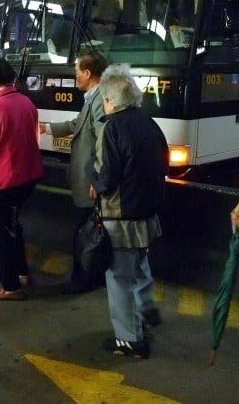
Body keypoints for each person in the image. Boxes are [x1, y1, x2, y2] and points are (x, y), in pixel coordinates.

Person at [85, 64, 168, 359]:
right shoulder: (150, 123)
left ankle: (129, 339)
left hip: (121, 215)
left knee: (119, 277)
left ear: (109, 100)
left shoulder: (112, 127)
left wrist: (91, 177)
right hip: (148, 212)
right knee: (140, 265)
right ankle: (146, 310)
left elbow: (106, 178)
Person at [0, 59, 44, 301]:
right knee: (14, 224)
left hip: (7, 179)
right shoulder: (27, 102)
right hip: (29, 175)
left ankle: (10, 286)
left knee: (1, 231)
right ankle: (22, 272)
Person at [39, 51, 111, 294]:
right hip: (87, 178)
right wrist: (46, 129)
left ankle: (84, 280)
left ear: (88, 73)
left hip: (91, 180)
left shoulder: (100, 99)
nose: (75, 77)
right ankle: (89, 277)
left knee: (85, 232)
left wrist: (99, 176)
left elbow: (104, 139)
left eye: (77, 72)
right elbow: (76, 124)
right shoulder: (93, 97)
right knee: (89, 230)